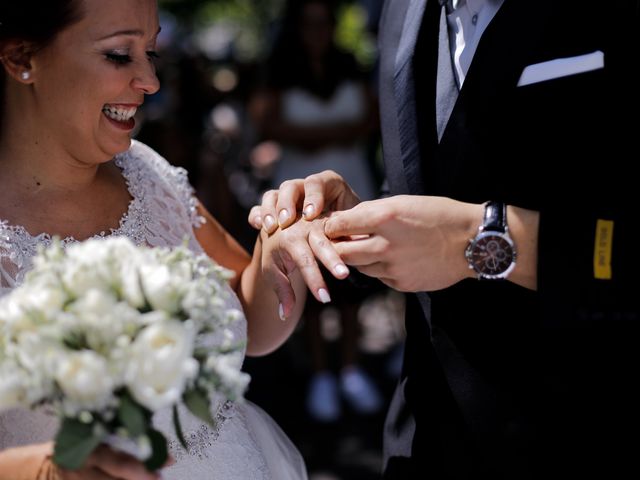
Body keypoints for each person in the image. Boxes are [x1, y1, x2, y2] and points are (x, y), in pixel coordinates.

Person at [250, 0, 640, 478]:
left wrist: (480, 241)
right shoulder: (401, 12)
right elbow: (426, 186)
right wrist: (351, 223)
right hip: (424, 436)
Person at [0, 1, 310, 478]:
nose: (150, 82)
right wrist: (46, 469)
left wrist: (287, 238)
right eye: (121, 55)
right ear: (22, 59)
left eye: (152, 53)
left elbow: (252, 322)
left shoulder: (148, 173)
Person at [251, 0, 383, 423]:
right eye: (309, 25)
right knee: (307, 280)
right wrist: (328, 136)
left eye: (323, 24)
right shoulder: (280, 68)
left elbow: (372, 115)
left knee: (350, 283)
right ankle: (321, 373)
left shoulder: (348, 64)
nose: (317, 32)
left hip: (352, 183)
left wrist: (323, 136)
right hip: (300, 191)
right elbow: (266, 122)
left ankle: (350, 367)